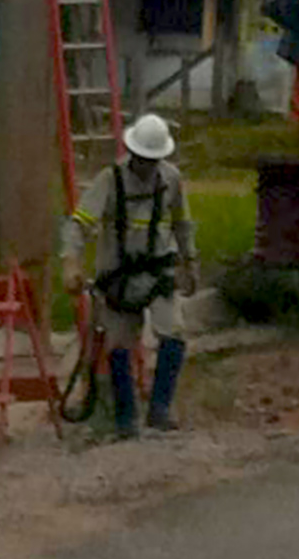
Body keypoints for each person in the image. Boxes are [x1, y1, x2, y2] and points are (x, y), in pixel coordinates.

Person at [61, 113, 198, 438]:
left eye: (153, 160)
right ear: (132, 153)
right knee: (119, 344)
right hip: (119, 277)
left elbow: (182, 223)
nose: (147, 166)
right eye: (142, 159)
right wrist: (71, 262)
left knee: (174, 333)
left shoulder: (171, 179)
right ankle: (125, 418)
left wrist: (190, 262)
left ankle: (160, 408)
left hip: (158, 272)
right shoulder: (109, 180)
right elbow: (78, 224)